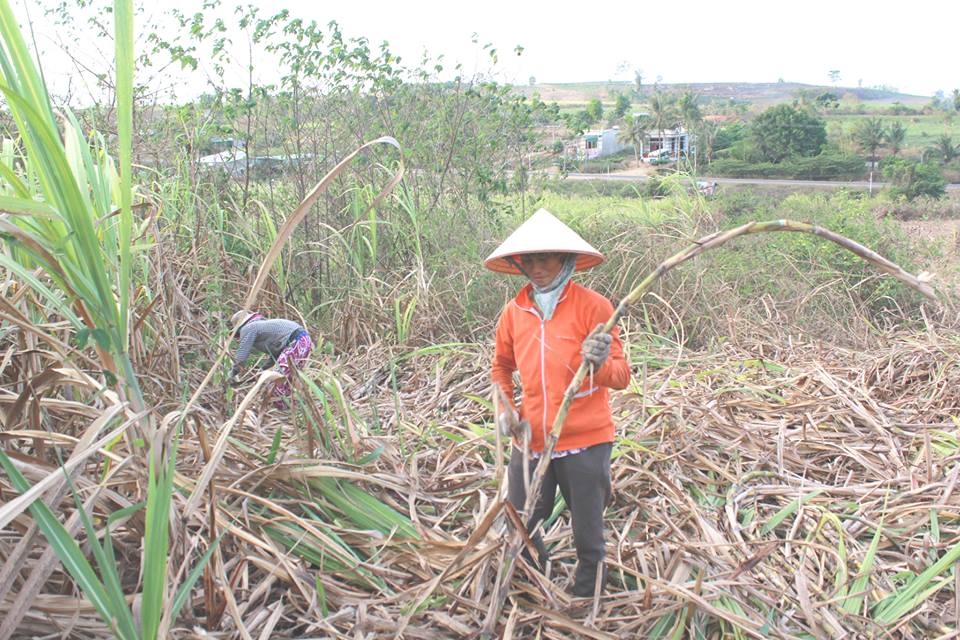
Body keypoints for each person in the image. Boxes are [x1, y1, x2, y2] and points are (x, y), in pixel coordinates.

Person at [486, 208, 630, 597]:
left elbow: (621, 375)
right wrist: (506, 409)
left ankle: (588, 598)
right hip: (530, 440)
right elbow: (500, 366)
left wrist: (597, 364)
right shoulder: (514, 312)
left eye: (544, 258)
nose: (536, 268)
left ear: (565, 259)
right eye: (528, 259)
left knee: (588, 532)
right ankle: (538, 589)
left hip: (586, 440)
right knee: (522, 525)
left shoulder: (595, 307)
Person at [229, 310, 313, 408]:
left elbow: (242, 355)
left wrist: (232, 373)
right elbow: (278, 354)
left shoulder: (248, 328)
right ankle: (294, 409)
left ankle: (285, 410)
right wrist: (263, 370)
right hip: (303, 341)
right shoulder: (260, 326)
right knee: (288, 380)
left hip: (295, 342)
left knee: (275, 381)